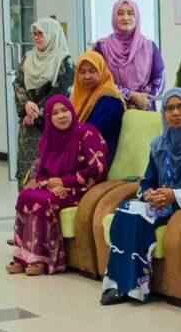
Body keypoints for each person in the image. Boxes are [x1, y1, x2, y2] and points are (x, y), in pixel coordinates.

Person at [101, 90, 181, 305]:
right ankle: (117, 284)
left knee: (140, 216)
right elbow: (148, 180)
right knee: (126, 210)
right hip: (162, 202)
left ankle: (136, 286)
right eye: (170, 108)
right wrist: (148, 194)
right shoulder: (160, 144)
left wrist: (176, 195)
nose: (176, 113)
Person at [9, 96, 108, 275]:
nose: (61, 116)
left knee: (44, 202)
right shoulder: (49, 139)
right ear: (49, 118)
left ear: (72, 111)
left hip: (83, 188)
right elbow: (42, 173)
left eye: (64, 110)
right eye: (54, 113)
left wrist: (64, 182)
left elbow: (98, 168)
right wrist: (50, 184)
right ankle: (24, 255)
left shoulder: (87, 132)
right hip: (56, 188)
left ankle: (43, 258)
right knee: (25, 195)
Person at [14, 16, 75, 186]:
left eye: (40, 34)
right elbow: (18, 83)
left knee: (48, 170)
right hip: (29, 124)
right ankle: (25, 201)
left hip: (52, 125)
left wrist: (37, 112)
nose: (36, 37)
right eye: (34, 34)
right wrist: (26, 104)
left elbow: (62, 92)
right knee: (26, 171)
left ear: (52, 34)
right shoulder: (28, 58)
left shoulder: (64, 61)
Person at [92, 0, 163, 108]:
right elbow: (99, 81)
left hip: (143, 109)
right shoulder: (101, 47)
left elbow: (159, 81)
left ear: (137, 17)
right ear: (114, 17)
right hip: (112, 108)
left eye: (130, 13)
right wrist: (130, 95)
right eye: (120, 13)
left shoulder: (149, 47)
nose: (125, 18)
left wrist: (142, 98)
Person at [70, 50, 127, 160]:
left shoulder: (109, 98)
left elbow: (93, 132)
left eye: (92, 71)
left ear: (101, 71)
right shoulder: (81, 95)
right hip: (84, 151)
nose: (87, 76)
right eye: (82, 72)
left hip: (101, 156)